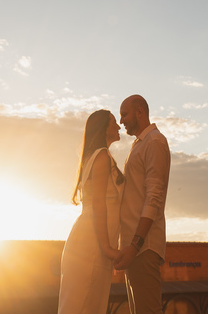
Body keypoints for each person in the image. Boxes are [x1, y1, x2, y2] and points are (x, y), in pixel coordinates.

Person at [59, 109, 123, 314]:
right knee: (85, 305)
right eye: (113, 122)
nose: (119, 126)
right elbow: (98, 204)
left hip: (91, 242)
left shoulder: (96, 157)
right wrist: (108, 249)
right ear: (104, 128)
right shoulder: (102, 156)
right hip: (92, 245)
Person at [114, 95, 171, 314]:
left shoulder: (155, 141)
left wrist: (135, 244)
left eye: (124, 114)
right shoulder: (140, 144)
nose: (121, 120)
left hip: (143, 247)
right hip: (134, 247)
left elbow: (153, 197)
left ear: (140, 112)